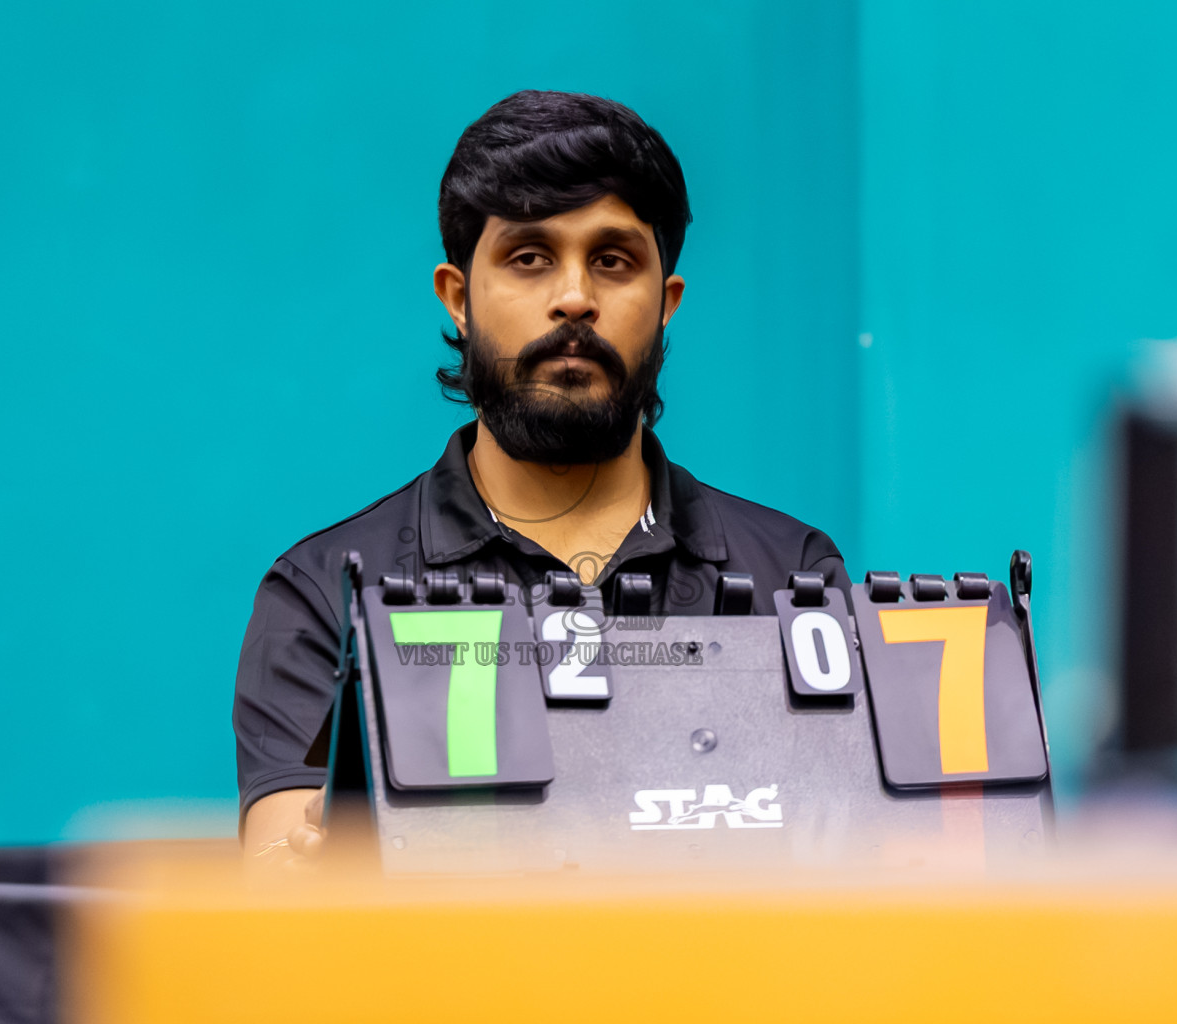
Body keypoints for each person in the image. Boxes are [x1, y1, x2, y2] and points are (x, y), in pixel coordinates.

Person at [235, 90, 847, 865]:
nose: (574, 298)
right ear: (459, 298)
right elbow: (283, 897)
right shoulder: (325, 594)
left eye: (612, 260)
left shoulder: (789, 575)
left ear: (666, 304)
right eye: (529, 258)